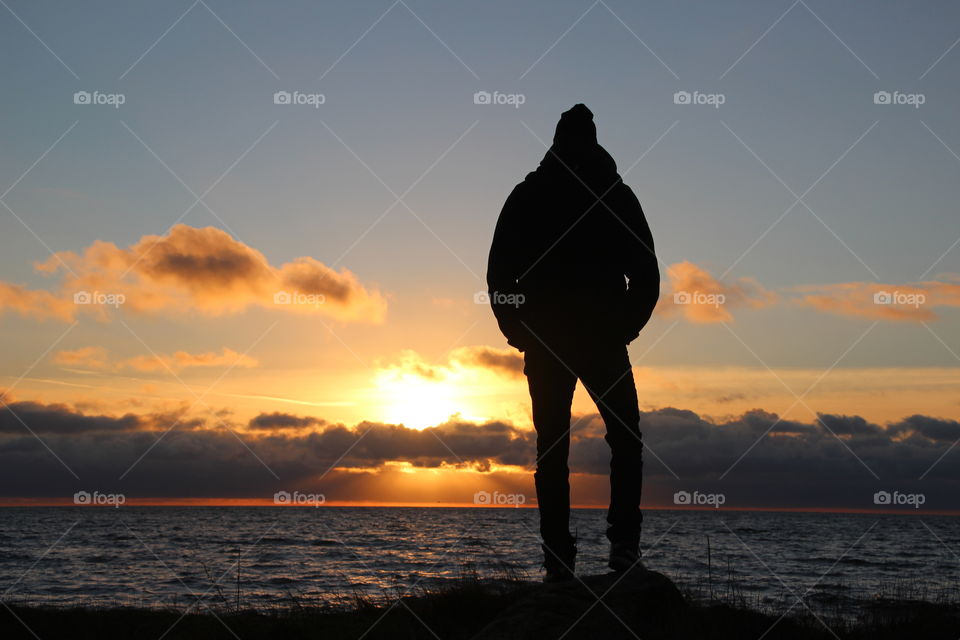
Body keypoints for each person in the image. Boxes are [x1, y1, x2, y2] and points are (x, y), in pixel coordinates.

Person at [486, 104, 659, 582]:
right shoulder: (541, 195)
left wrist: (626, 326)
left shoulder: (604, 195)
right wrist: (516, 328)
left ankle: (604, 550)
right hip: (560, 340)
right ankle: (569, 556)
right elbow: (500, 273)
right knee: (579, 447)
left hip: (589, 338)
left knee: (598, 444)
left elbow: (645, 272)